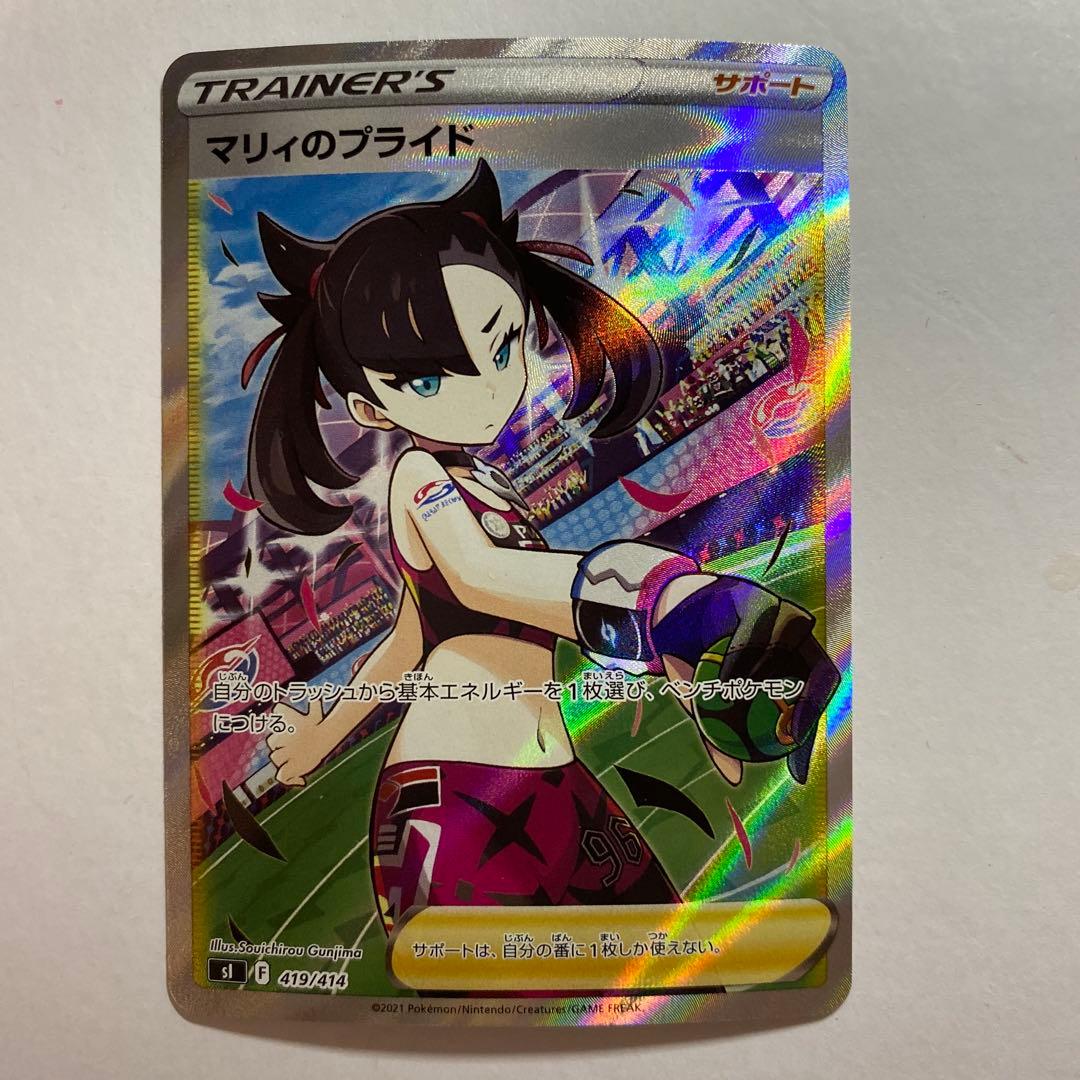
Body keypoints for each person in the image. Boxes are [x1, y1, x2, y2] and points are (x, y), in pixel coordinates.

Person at [244, 161, 838, 930]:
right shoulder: (419, 476)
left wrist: (321, 735)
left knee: (662, 971)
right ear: (369, 407)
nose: (489, 386)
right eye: (428, 380)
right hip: (458, 796)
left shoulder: (487, 483)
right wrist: (662, 606)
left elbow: (409, 637)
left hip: (557, 783)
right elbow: (479, 575)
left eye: (503, 345)